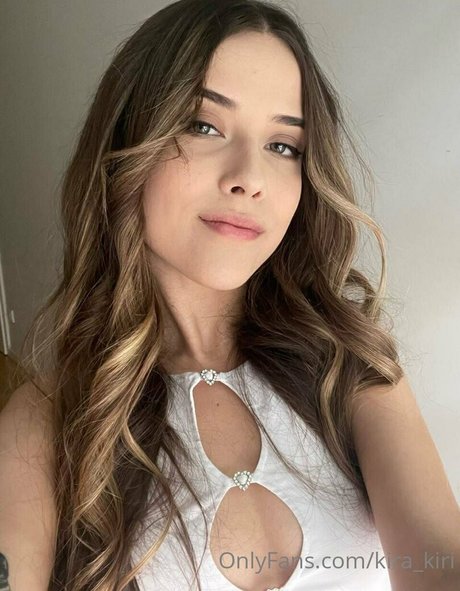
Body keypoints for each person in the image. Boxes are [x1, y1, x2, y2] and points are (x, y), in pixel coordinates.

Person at [1, 0, 459, 590]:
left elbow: (439, 559)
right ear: (126, 142)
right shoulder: (47, 423)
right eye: (204, 126)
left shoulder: (348, 367)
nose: (249, 178)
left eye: (283, 146)